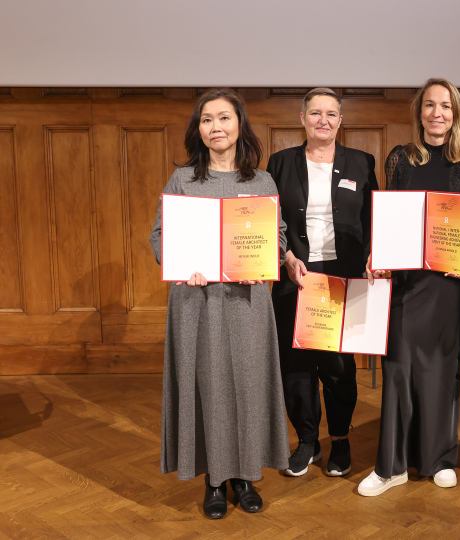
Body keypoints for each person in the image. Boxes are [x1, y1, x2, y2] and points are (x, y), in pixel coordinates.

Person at [149, 88, 289, 519]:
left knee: (247, 384)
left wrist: (264, 262)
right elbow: (160, 237)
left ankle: (245, 475)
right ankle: (213, 481)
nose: (216, 127)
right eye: (207, 120)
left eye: (224, 118)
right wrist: (181, 263)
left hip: (248, 301)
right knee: (208, 386)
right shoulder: (183, 180)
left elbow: (277, 236)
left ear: (239, 124)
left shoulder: (261, 181)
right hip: (197, 301)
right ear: (199, 129)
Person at [359, 78, 460, 497]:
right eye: (430, 105)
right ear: (419, 112)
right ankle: (391, 466)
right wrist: (375, 257)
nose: (438, 113)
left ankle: (439, 460)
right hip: (404, 282)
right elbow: (389, 218)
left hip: (449, 285)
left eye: (446, 107)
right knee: (398, 368)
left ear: (457, 114)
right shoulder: (399, 158)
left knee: (441, 368)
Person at [267, 88, 377, 478]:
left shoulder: (362, 163)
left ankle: (341, 441)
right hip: (294, 276)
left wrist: (371, 258)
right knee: (296, 365)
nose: (323, 121)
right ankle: (307, 441)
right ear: (302, 119)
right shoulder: (279, 163)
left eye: (331, 114)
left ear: (341, 121)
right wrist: (286, 258)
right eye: (316, 113)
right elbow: (270, 222)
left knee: (337, 366)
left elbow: (373, 220)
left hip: (341, 277)